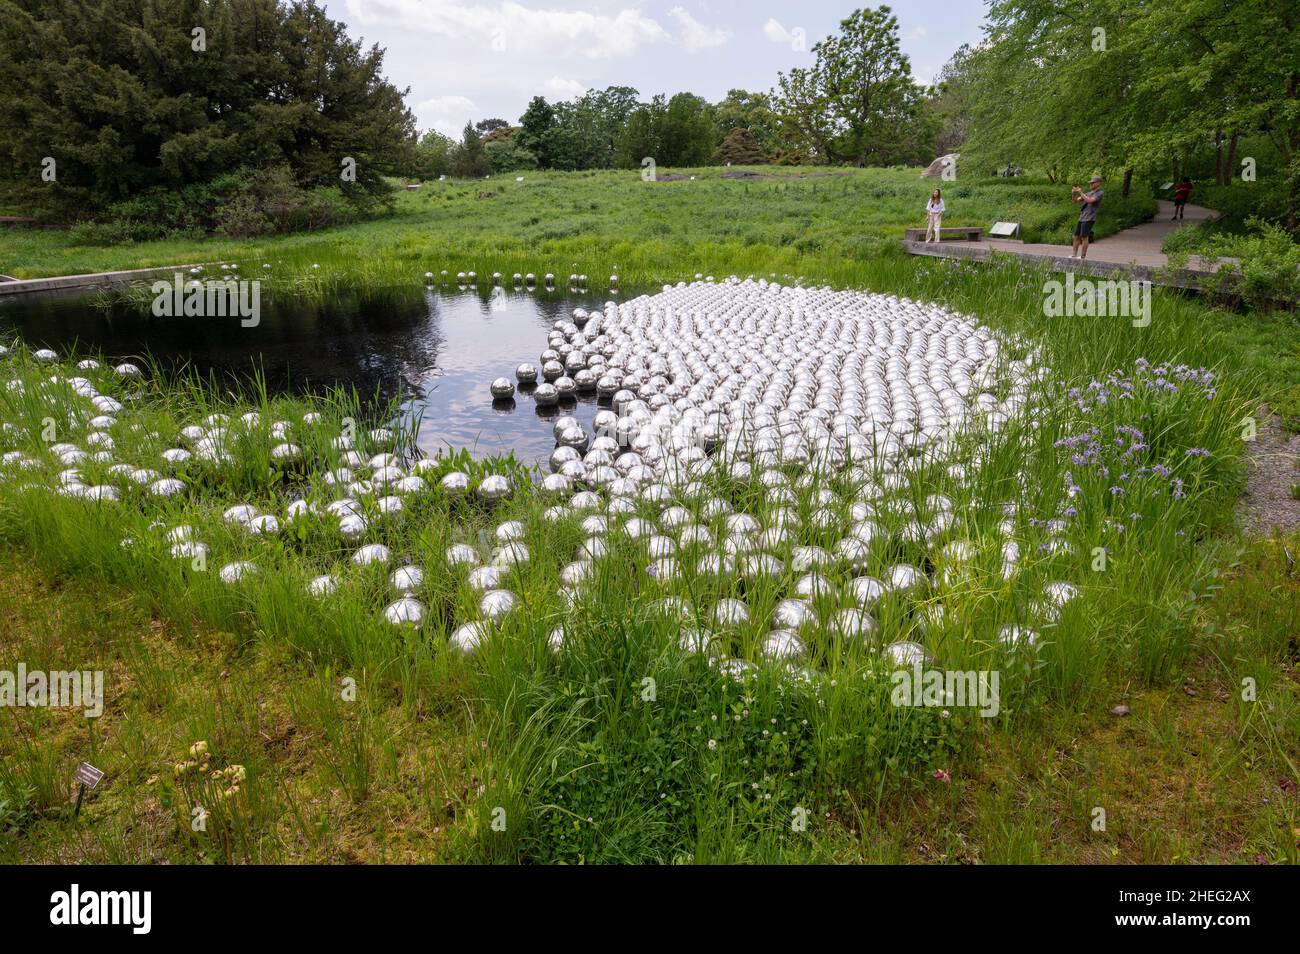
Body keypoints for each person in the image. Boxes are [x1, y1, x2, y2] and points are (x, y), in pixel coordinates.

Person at [1070, 175, 1103, 259]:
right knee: (1075, 236)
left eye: (1093, 183)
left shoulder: (1100, 193)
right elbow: (1075, 201)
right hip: (1082, 217)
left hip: (1089, 218)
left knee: (1084, 236)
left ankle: (1082, 256)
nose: (1091, 184)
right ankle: (1074, 254)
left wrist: (1081, 192)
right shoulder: (1089, 193)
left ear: (1098, 183)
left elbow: (1090, 201)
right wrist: (1073, 193)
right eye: (1090, 183)